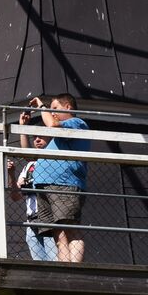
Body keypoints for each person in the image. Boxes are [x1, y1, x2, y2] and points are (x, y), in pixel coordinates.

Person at [29, 95, 91, 265]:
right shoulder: (58, 137)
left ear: (68, 107)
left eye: (55, 109)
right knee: (58, 233)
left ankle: (75, 269)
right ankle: (65, 268)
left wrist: (42, 106)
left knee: (71, 229)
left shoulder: (76, 123)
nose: (52, 113)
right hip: (46, 185)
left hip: (64, 184)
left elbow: (52, 125)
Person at [8, 106, 57, 262]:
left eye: (41, 136)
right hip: (31, 221)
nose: (37, 140)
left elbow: (27, 154)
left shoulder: (53, 159)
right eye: (35, 137)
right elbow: (15, 196)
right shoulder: (29, 166)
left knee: (55, 260)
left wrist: (23, 128)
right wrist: (12, 174)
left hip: (49, 218)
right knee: (39, 264)